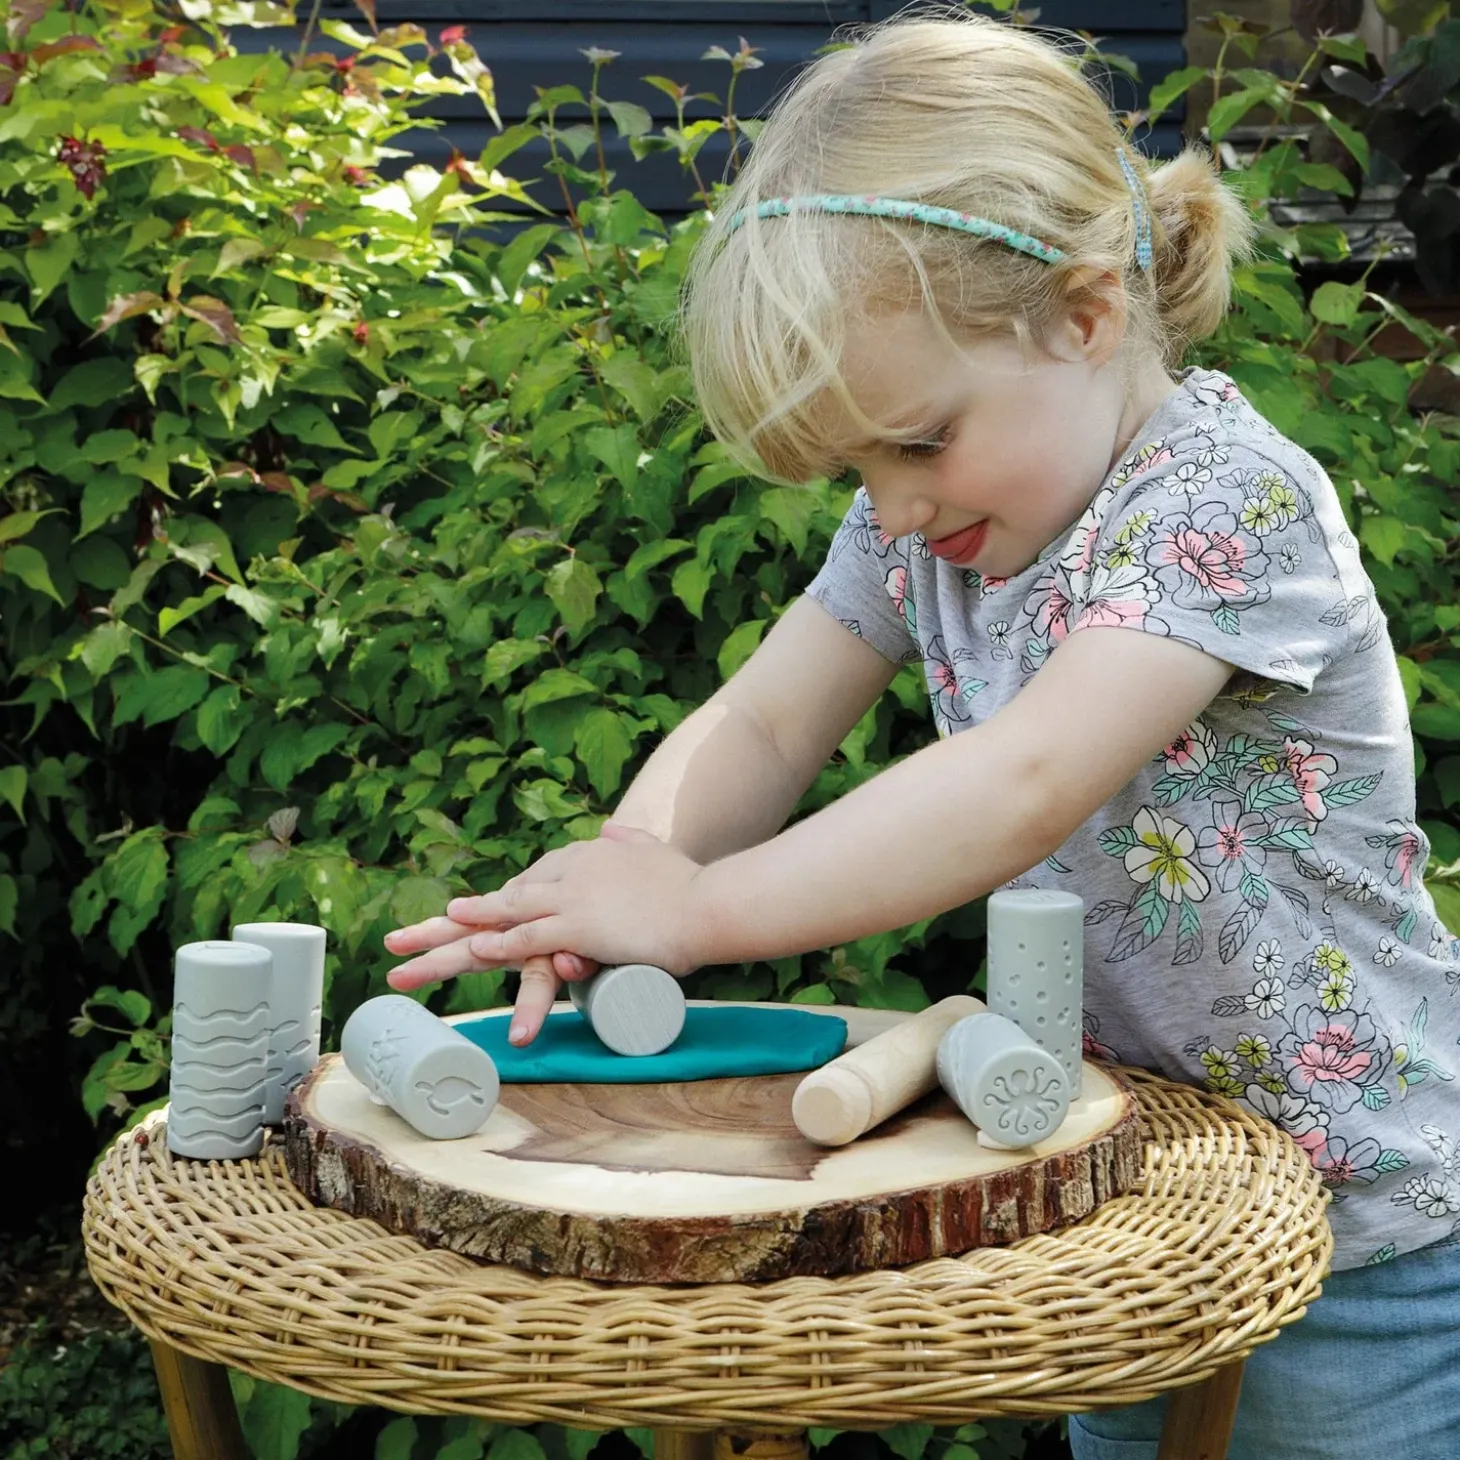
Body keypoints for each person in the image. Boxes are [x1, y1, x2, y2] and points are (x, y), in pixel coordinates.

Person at [383, 12, 1460, 1455]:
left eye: (914, 442)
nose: (889, 507)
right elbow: (768, 717)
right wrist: (623, 870)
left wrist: (700, 908)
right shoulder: (937, 519)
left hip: (1367, 1244)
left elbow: (1020, 781)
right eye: (856, 464)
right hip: (1124, 1198)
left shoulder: (1224, 506)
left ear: (1084, 315)